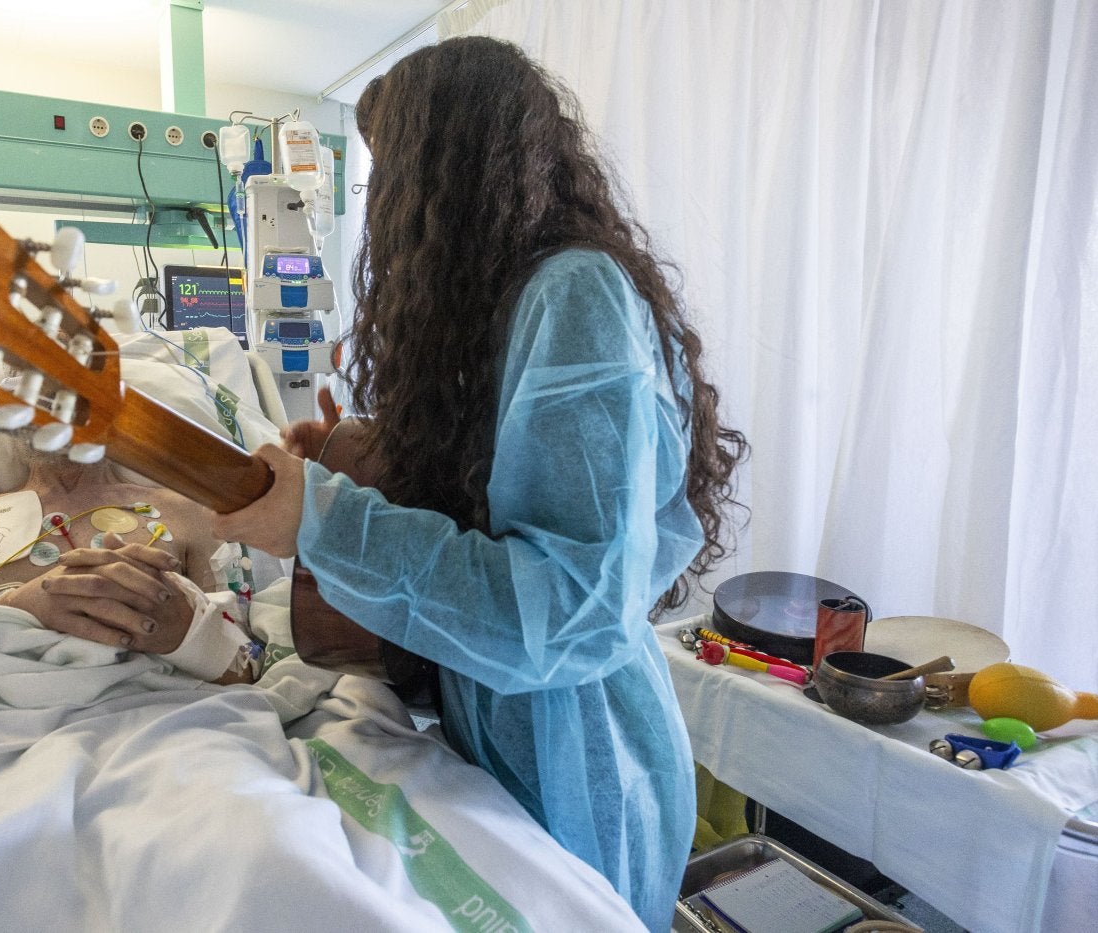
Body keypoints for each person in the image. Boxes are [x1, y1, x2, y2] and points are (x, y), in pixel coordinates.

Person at [210, 36, 748, 930]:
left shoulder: (575, 296)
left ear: (445, 170)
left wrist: (322, 516)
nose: (385, 213)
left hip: (580, 762)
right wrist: (355, 452)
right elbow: (517, 469)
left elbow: (565, 606)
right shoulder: (512, 298)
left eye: (391, 182)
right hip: (508, 732)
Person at [0, 445, 259, 685]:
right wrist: (14, 609)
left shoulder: (190, 512)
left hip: (149, 717)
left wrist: (182, 633)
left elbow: (245, 670)